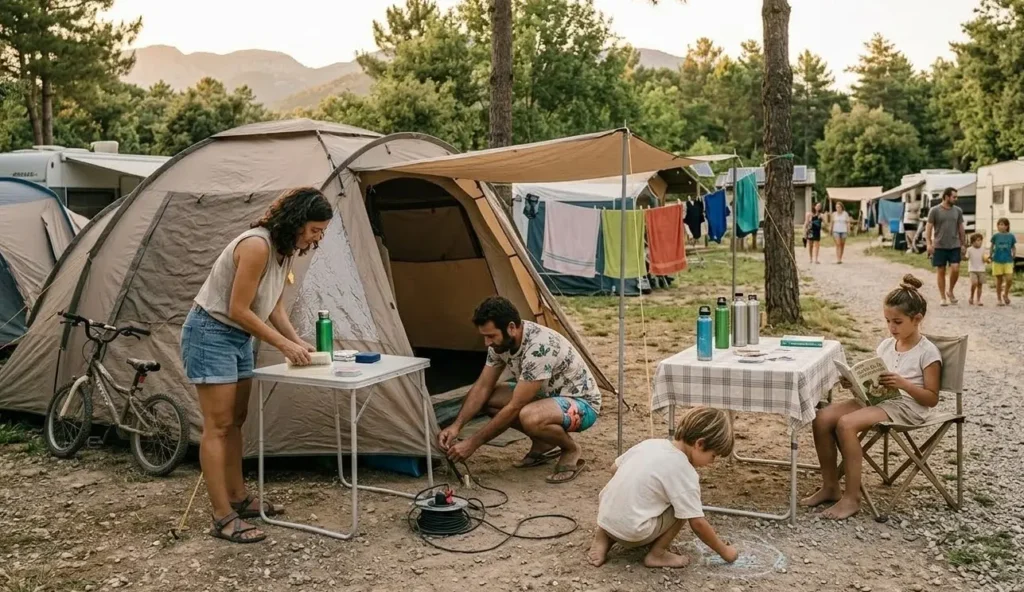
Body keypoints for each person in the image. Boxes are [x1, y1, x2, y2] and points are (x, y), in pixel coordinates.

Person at [181, 187, 333, 543]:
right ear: (296, 221)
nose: (317, 237)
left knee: (236, 421)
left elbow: (274, 306)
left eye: (322, 231)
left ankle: (238, 496)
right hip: (211, 332)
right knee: (217, 426)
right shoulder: (256, 246)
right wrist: (281, 344)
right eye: (314, 229)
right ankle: (222, 516)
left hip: (238, 338)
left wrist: (295, 341)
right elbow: (238, 309)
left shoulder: (285, 251)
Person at [801, 274, 941, 520]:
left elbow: (931, 399)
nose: (892, 328)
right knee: (822, 418)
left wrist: (904, 384)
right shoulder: (887, 345)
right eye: (888, 321)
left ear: (917, 319)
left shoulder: (928, 352)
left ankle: (852, 498)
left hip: (907, 406)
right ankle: (831, 486)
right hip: (879, 399)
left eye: (897, 322)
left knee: (846, 424)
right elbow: (874, 383)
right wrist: (853, 382)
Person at [437, 297, 601, 484]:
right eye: (484, 336)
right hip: (546, 396)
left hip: (582, 403)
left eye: (491, 336)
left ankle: (570, 449)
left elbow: (516, 406)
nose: (486, 342)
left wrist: (473, 443)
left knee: (529, 416)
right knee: (488, 398)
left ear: (511, 327)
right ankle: (543, 442)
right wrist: (456, 426)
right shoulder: (500, 344)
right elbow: (483, 386)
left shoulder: (539, 346)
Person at [587, 407, 737, 569]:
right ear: (699, 444)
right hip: (633, 535)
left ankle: (603, 536)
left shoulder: (651, 444)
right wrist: (725, 551)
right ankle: (657, 554)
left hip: (605, 519)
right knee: (684, 509)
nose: (711, 463)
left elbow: (614, 469)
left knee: (624, 491)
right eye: (713, 456)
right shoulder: (685, 472)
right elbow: (698, 524)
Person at [926, 187, 966, 306]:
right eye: (954, 197)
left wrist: (963, 244)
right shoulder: (934, 210)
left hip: (954, 245)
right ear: (947, 196)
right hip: (939, 245)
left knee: (955, 268)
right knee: (941, 271)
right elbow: (928, 228)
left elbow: (961, 228)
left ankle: (950, 291)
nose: (956, 199)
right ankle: (943, 297)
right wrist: (928, 243)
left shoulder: (958, 210)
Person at [991, 218, 1017, 306]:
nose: (1001, 226)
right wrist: (991, 255)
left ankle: (1005, 294)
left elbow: (1013, 247)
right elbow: (992, 246)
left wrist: (1014, 253)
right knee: (999, 280)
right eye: (999, 224)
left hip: (1008, 260)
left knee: (1009, 279)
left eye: (1003, 225)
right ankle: (999, 299)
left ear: (1007, 226)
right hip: (997, 260)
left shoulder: (1011, 236)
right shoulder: (995, 236)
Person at [966, 233, 987, 306]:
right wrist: (963, 256)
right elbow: (966, 258)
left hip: (981, 269)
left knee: (980, 285)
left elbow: (986, 258)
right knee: (974, 283)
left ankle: (978, 299)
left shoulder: (983, 249)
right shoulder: (969, 249)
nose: (980, 242)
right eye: (978, 240)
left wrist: (987, 259)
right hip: (972, 269)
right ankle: (971, 296)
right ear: (972, 242)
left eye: (981, 240)